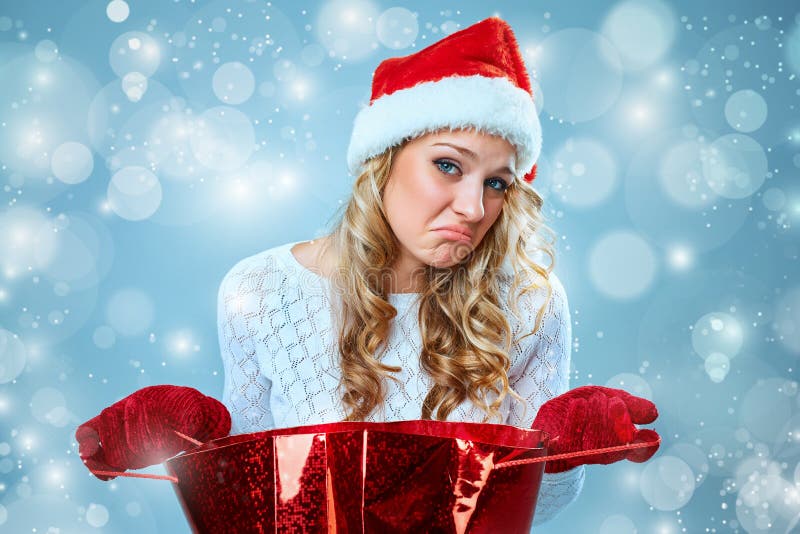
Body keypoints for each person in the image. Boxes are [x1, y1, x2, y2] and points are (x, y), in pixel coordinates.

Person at [76, 16, 660, 530]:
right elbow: (260, 505)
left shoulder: (531, 301)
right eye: (448, 165)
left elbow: (538, 509)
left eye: (497, 183)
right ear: (382, 162)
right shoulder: (260, 289)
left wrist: (558, 449)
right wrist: (193, 446)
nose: (473, 208)